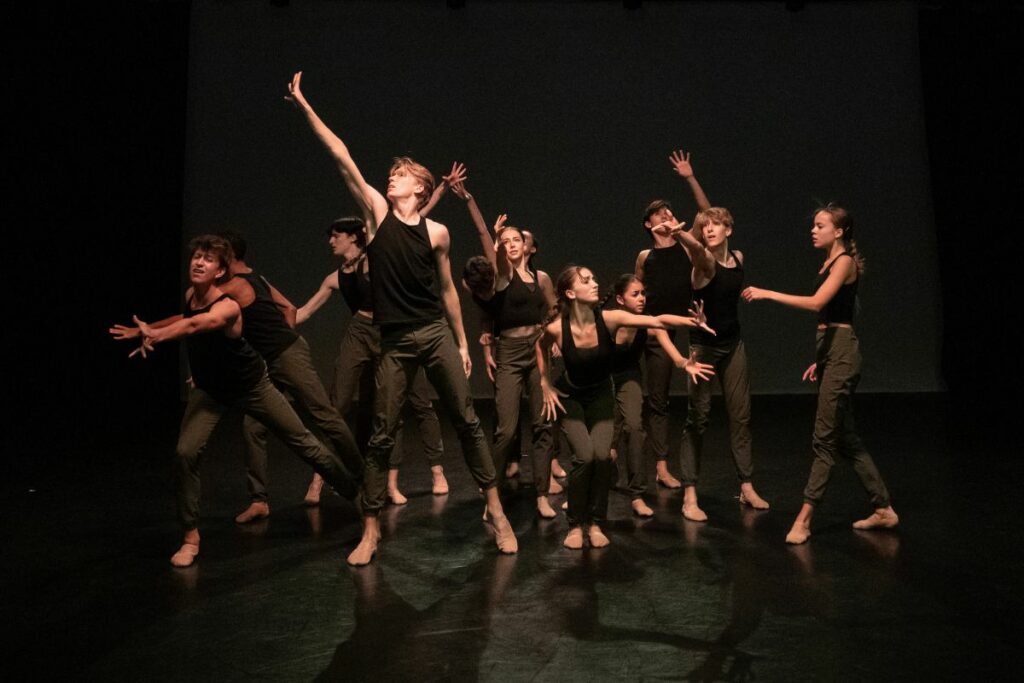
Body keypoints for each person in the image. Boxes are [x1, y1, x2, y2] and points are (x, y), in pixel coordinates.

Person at [287, 72, 517, 565]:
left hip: (433, 333)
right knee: (382, 433)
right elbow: (341, 155)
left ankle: (496, 511)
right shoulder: (375, 214)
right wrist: (305, 106)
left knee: (469, 423)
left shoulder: (437, 233)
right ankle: (370, 531)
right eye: (392, 174)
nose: (391, 178)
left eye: (401, 175)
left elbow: (449, 290)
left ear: (421, 186)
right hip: (394, 339)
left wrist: (460, 343)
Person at [109, 235, 359, 567]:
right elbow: (183, 317)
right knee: (185, 452)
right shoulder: (190, 295)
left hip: (251, 386)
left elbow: (200, 323)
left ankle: (358, 496)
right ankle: (190, 536)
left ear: (221, 270)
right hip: (211, 390)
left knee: (303, 442)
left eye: (207, 259)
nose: (198, 262)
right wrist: (148, 329)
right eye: (195, 257)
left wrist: (160, 336)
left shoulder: (228, 304)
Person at [742, 204, 898, 544]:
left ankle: (804, 518)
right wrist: (821, 359)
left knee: (824, 440)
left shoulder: (843, 263)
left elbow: (817, 304)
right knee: (847, 438)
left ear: (839, 231)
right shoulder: (829, 261)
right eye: (813, 225)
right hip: (832, 351)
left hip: (842, 351)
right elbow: (830, 315)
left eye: (820, 225)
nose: (813, 230)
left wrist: (768, 293)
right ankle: (883, 508)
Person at [538, 265, 712, 549]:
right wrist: (544, 383)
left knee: (603, 458)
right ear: (571, 293)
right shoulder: (557, 328)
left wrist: (692, 323)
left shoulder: (610, 318)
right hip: (572, 398)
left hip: (601, 396)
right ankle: (574, 525)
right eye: (586, 281)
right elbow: (540, 346)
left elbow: (656, 321)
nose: (595, 283)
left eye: (594, 277)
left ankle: (595, 523)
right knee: (584, 457)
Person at [209, 230, 364, 524]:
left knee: (324, 415)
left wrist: (286, 345)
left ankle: (363, 480)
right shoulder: (258, 277)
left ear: (228, 256)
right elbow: (289, 308)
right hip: (268, 362)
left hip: (286, 355)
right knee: (253, 427)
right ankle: (259, 500)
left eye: (215, 253)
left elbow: (198, 318)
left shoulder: (235, 285)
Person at [294, 217, 449, 505]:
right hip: (359, 332)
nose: (331, 241)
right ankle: (318, 479)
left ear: (354, 237)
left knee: (415, 401)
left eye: (336, 235)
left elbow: (403, 235)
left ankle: (432, 472)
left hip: (394, 330)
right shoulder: (334, 278)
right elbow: (303, 313)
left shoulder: (376, 261)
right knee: (337, 404)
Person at [446, 173, 559, 518]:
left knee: (543, 424)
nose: (510, 244)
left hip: (537, 351)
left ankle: (541, 494)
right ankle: (491, 494)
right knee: (506, 429)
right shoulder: (503, 275)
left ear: (526, 246)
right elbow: (484, 237)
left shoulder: (538, 278)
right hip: (509, 354)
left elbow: (554, 310)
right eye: (505, 241)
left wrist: (553, 339)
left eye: (515, 240)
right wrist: (470, 202)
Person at [667, 204, 771, 522]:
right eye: (705, 226)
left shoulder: (738, 258)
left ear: (728, 229)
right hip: (704, 349)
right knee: (697, 418)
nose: (710, 229)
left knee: (741, 416)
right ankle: (690, 494)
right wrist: (680, 233)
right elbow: (698, 249)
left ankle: (747, 486)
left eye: (716, 225)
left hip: (732, 345)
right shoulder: (705, 263)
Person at [606, 274, 715, 517]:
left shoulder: (646, 323)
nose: (642, 298)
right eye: (635, 294)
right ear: (619, 299)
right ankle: (592, 485)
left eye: (643, 293)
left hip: (628, 377)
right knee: (604, 440)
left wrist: (684, 356)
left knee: (634, 429)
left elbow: (662, 322)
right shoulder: (609, 318)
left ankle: (636, 495)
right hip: (602, 379)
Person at [634, 150, 712, 488]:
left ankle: (662, 466)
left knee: (658, 396)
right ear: (649, 225)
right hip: (644, 327)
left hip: (667, 331)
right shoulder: (645, 255)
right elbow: (637, 289)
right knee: (629, 389)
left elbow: (707, 214)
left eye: (669, 212)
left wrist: (689, 177)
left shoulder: (685, 246)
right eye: (658, 215)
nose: (666, 216)